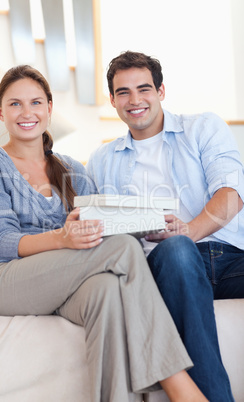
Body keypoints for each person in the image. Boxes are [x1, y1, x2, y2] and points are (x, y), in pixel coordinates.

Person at [0, 65, 209, 402]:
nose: (27, 113)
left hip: (55, 281)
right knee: (123, 252)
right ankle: (178, 384)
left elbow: (100, 229)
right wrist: (62, 239)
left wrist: (148, 221)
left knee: (108, 288)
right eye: (15, 104)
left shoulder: (73, 170)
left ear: (49, 108)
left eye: (36, 102)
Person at [86, 50, 244, 401]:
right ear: (112, 100)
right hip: (166, 266)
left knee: (181, 242)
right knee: (176, 249)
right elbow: (99, 227)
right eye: (123, 92)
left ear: (160, 91)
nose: (135, 100)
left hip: (229, 257)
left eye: (144, 88)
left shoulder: (202, 127)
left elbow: (232, 194)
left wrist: (189, 229)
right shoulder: (100, 161)